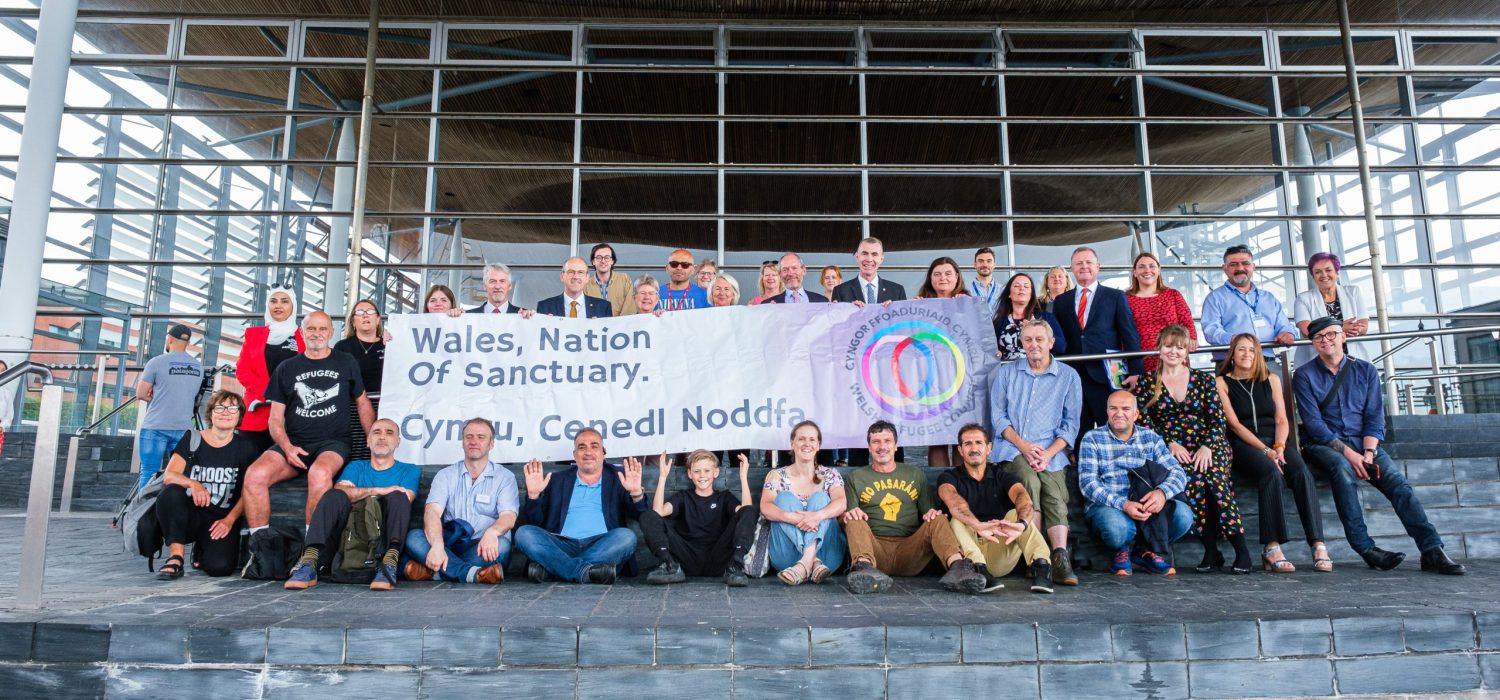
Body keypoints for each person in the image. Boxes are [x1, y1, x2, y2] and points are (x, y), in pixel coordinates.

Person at [1295, 317, 1464, 575]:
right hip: (1324, 444)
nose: (1326, 340)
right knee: (1342, 469)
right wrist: (1352, 455)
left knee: (1398, 483)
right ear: (1314, 344)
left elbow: (1375, 417)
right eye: (1319, 337)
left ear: (1343, 337)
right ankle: (1365, 548)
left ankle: (1432, 550)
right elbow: (1314, 425)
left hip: (1365, 444)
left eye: (1331, 334)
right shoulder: (1304, 375)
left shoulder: (1366, 370)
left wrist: (1370, 453)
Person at [242, 311, 374, 531]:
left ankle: (311, 551)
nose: (317, 333)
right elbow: (275, 419)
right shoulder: (286, 368)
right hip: (294, 442)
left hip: (333, 444)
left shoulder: (345, 362)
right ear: (302, 332)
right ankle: (260, 547)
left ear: (331, 333)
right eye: (311, 328)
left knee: (319, 473)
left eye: (322, 329)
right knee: (255, 475)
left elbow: (362, 402)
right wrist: (287, 447)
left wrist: (372, 438)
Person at [1135, 324, 1250, 574]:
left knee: (1216, 482)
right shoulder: (1147, 382)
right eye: (1168, 346)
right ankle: (1210, 550)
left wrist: (1207, 446)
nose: (1173, 351)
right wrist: (1169, 443)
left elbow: (1218, 419)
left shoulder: (1203, 380)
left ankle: (1241, 550)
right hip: (1171, 448)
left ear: (1187, 351)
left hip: (1209, 444)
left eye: (1179, 347)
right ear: (1159, 348)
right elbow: (1144, 421)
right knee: (1192, 482)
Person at [1216, 333, 1329, 573]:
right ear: (1232, 355)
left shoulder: (1272, 379)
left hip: (1275, 440)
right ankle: (1271, 548)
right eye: (1241, 349)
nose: (1247, 354)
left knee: (1301, 472)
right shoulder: (1222, 382)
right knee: (1271, 473)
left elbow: (1281, 418)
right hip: (1244, 444)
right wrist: (1266, 451)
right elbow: (1234, 425)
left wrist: (1278, 446)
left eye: (1252, 350)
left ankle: (1318, 544)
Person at [841, 421, 984, 594]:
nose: (882, 447)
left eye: (887, 441)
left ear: (896, 446)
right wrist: (848, 516)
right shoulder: (856, 477)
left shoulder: (914, 474)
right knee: (853, 519)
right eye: (876, 442)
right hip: (873, 551)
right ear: (869, 447)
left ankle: (959, 569)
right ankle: (863, 571)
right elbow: (845, 521)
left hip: (910, 549)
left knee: (938, 518)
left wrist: (932, 513)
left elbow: (928, 513)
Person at [989, 320, 1082, 586]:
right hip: (1012, 448)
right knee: (1028, 482)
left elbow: (1071, 423)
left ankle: (1059, 557)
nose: (1034, 345)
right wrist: (1024, 446)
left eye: (1039, 340)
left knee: (1053, 490)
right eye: (1028, 340)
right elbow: (998, 417)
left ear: (1051, 343)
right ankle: (1037, 558)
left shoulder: (1068, 376)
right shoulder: (1007, 374)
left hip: (1051, 451)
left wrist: (1049, 452)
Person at [285, 419, 420, 591]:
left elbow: (406, 498)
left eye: (389, 432)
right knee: (334, 495)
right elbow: (341, 491)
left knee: (398, 497)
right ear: (367, 441)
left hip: (383, 538)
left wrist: (359, 492)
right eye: (376, 432)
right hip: (350, 535)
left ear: (398, 442)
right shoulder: (356, 467)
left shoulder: (409, 470)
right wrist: (380, 490)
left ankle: (390, 563)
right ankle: (309, 563)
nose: (382, 437)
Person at [1078, 390, 1194, 577]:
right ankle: (1122, 548)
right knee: (1118, 529)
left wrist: (1162, 493)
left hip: (1147, 504)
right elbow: (1088, 483)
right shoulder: (1092, 438)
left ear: (1136, 414)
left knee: (1184, 516)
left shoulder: (1151, 438)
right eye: (1113, 408)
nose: (1119, 413)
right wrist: (1123, 504)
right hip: (1110, 506)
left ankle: (1143, 550)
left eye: (1125, 409)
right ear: (1106, 411)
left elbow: (1178, 473)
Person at [515, 429, 647, 584]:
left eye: (594, 446)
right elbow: (535, 521)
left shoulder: (618, 477)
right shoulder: (557, 480)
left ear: (603, 453)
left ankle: (554, 569)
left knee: (626, 537)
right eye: (582, 447)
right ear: (574, 454)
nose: (588, 452)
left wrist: (636, 493)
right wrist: (534, 496)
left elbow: (641, 514)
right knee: (523, 533)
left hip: (602, 544)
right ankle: (589, 572)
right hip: (561, 544)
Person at [152, 390, 259, 579]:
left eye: (232, 408)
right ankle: (175, 557)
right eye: (220, 407)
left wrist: (230, 520)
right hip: (188, 514)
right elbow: (170, 475)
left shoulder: (247, 447)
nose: (225, 412)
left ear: (240, 415)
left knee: (220, 568)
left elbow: (249, 491)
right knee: (170, 493)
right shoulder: (192, 439)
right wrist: (194, 484)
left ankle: (201, 548)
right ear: (210, 413)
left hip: (219, 519)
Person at [937, 424, 1055, 594]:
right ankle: (979, 571)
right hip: (966, 559)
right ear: (960, 450)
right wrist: (978, 526)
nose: (974, 448)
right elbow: (954, 502)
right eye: (968, 444)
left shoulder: (1002, 475)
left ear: (989, 448)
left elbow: (1023, 499)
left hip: (998, 548)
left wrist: (1021, 525)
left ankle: (1042, 568)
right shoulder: (948, 477)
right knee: (956, 518)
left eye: (979, 443)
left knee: (1018, 514)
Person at [403, 418, 519, 584]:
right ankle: (474, 575)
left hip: (483, 547)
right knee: (414, 538)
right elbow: (432, 512)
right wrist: (437, 546)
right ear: (463, 442)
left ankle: (434, 574)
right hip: (449, 545)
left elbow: (508, 517)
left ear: (491, 444)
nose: (474, 441)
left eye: (481, 437)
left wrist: (492, 532)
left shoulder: (505, 477)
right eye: (469, 436)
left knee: (503, 546)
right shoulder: (445, 475)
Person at [1054, 246, 1144, 437]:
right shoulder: (1061, 301)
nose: (1084, 266)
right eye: (1079, 263)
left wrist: (1136, 370)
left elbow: (1129, 334)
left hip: (1106, 375)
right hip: (1073, 375)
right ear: (1072, 268)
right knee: (1078, 428)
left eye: (1088, 262)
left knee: (1111, 427)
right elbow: (1059, 340)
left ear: (1098, 267)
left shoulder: (1116, 296)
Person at [640, 450, 757, 586]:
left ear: (716, 473)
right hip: (686, 558)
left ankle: (736, 566)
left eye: (707, 471)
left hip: (718, 558)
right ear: (690, 474)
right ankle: (669, 565)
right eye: (697, 471)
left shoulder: (724, 497)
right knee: (648, 515)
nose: (702, 476)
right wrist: (662, 477)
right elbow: (658, 512)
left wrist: (743, 477)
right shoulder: (683, 497)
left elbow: (746, 513)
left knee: (749, 510)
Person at [757, 420, 846, 585]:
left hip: (828, 558)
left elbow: (841, 503)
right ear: (792, 443)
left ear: (818, 445)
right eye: (801, 439)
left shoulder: (830, 474)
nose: (807, 444)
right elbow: (765, 507)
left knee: (820, 498)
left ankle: (806, 562)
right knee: (784, 499)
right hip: (787, 558)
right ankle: (812, 561)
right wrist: (791, 517)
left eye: (812, 439)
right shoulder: (777, 475)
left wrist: (817, 516)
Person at [135, 323, 203, 489]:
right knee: (179, 476)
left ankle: (142, 513)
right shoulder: (198, 367)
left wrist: (157, 395)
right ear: (187, 343)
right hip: (183, 429)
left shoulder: (156, 362)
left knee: (149, 472)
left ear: (170, 339)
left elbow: (141, 394)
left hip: (155, 426)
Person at [1201, 244, 1297, 360]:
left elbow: (1284, 325)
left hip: (1267, 360)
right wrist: (1236, 340)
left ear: (1253, 267)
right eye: (1233, 264)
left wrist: (1288, 333)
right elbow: (1211, 331)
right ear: (1224, 268)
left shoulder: (1268, 298)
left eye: (1245, 263)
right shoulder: (1214, 298)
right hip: (1231, 363)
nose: (1240, 268)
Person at [237, 286, 304, 450]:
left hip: (293, 415)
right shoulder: (253, 335)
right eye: (273, 301)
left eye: (284, 301)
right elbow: (242, 370)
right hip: (256, 413)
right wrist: (271, 392)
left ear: (293, 306)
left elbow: (308, 371)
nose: (278, 306)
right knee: (249, 467)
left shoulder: (304, 336)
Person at [1294, 252, 1370, 367]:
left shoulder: (1354, 292)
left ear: (1337, 272)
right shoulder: (1303, 298)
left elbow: (1363, 327)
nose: (1323, 275)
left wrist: (1325, 330)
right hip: (1317, 362)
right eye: (1317, 272)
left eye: (1328, 270)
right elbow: (1308, 331)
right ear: (1313, 276)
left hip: (1352, 359)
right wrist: (1342, 328)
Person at [1127, 252, 1197, 375]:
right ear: (1134, 272)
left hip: (1173, 358)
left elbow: (1186, 321)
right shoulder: (1125, 298)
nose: (1147, 270)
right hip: (1140, 359)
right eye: (1141, 266)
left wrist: (1192, 338)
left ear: (1159, 270)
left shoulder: (1173, 295)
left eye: (1151, 266)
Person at [333, 299, 385, 463]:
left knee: (381, 448)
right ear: (353, 322)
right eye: (360, 313)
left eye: (370, 312)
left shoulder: (390, 346)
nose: (365, 316)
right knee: (356, 451)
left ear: (377, 320)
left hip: (384, 407)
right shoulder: (342, 347)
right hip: (352, 407)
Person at [992, 273, 1066, 362]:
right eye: (1016, 286)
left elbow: (1061, 347)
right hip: (1009, 373)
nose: (1021, 288)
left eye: (1026, 286)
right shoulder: (999, 322)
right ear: (1009, 294)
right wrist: (996, 354)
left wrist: (1039, 328)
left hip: (1039, 372)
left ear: (1031, 294)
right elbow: (991, 351)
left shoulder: (1046, 317)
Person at [831, 237, 906, 306]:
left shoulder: (897, 291)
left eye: (874, 254)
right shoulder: (840, 291)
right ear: (857, 257)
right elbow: (836, 319)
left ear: (881, 259)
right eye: (864, 253)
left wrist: (893, 311)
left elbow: (905, 319)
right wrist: (848, 310)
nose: (869, 259)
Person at [537, 256, 613, 319]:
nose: (576, 277)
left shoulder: (604, 308)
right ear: (562, 276)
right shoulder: (545, 307)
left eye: (580, 272)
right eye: (571, 272)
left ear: (587, 278)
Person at [584, 243, 637, 316]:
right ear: (593, 261)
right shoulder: (586, 285)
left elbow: (630, 307)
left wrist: (619, 325)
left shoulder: (624, 279)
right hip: (595, 326)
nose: (603, 261)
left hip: (621, 325)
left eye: (607, 257)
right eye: (599, 257)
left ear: (612, 261)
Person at [468, 262, 535, 317]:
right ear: (485, 286)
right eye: (492, 281)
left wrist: (532, 320)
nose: (497, 286)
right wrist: (457, 318)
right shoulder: (468, 316)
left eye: (502, 281)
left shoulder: (523, 316)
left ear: (510, 286)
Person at [762, 253, 828, 304]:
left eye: (794, 268)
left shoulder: (822, 301)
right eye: (785, 270)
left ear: (804, 270)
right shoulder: (767, 305)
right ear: (780, 274)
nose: (790, 273)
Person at [970, 247, 1003, 316]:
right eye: (981, 261)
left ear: (994, 265)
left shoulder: (1003, 290)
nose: (985, 265)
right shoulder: (966, 290)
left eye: (989, 261)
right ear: (975, 265)